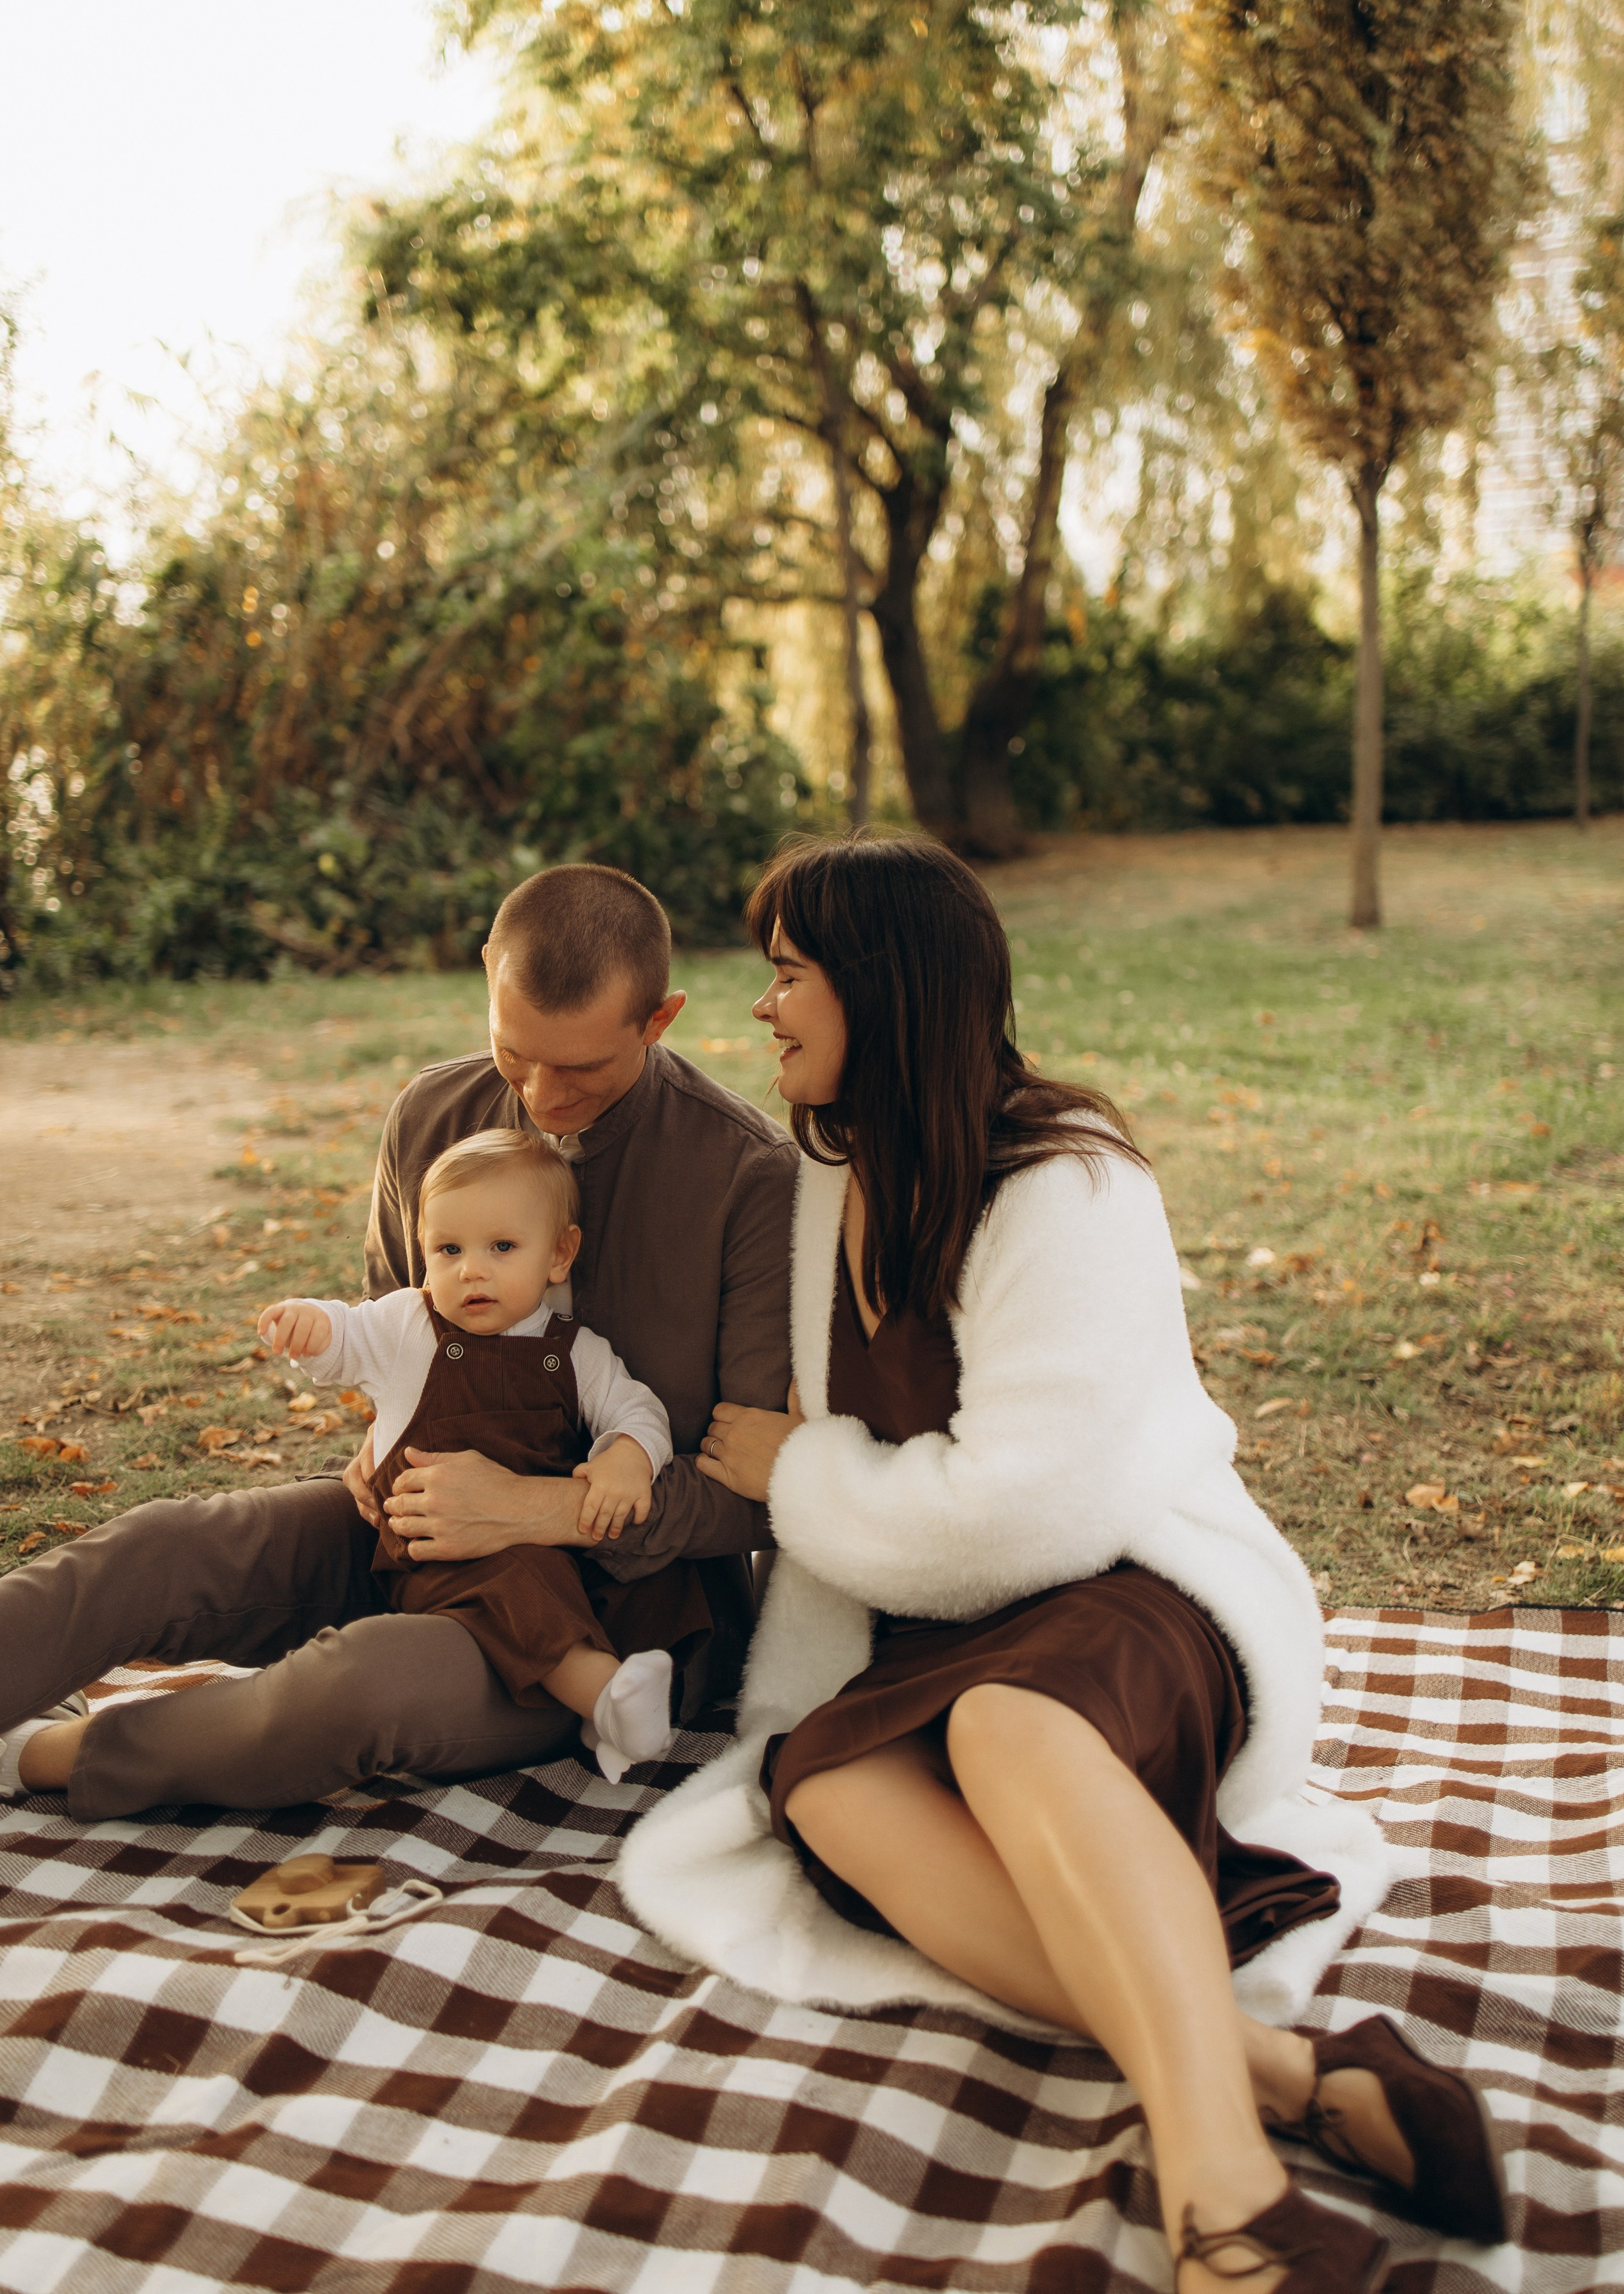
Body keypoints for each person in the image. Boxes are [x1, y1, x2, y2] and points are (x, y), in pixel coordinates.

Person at [621, 833, 1506, 2294]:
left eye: (785, 977)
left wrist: (800, 1471)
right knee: (827, 1786)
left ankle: (1224, 2198)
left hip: (1133, 1592)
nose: (761, 1010)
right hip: (943, 1625)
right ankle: (1291, 2072)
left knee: (1004, 1722)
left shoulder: (1067, 1183)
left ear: (882, 991)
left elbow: (1025, 1511)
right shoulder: (819, 1182)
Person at [0, 864, 796, 1818]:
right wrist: (384, 1457)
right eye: (514, 1055)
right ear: (489, 976)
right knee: (165, 1547)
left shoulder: (747, 1179)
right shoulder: (433, 1118)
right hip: (416, 1539)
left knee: (360, 1687)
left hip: (620, 1622)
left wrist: (535, 1510)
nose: (541, 1096)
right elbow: (393, 1344)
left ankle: (32, 1757)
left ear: (657, 1022)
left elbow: (760, 1500)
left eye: (581, 1070)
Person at [258, 1129, 680, 1783]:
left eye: (501, 1248)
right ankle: (606, 1693)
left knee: (560, 1580)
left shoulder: (576, 1353)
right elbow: (348, 1333)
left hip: (534, 1544)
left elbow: (638, 1410)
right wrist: (311, 1324)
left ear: (560, 1254)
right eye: (447, 1250)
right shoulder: (408, 1325)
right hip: (431, 1554)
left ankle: (603, 1709)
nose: (470, 1270)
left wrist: (627, 1456)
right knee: (514, 1585)